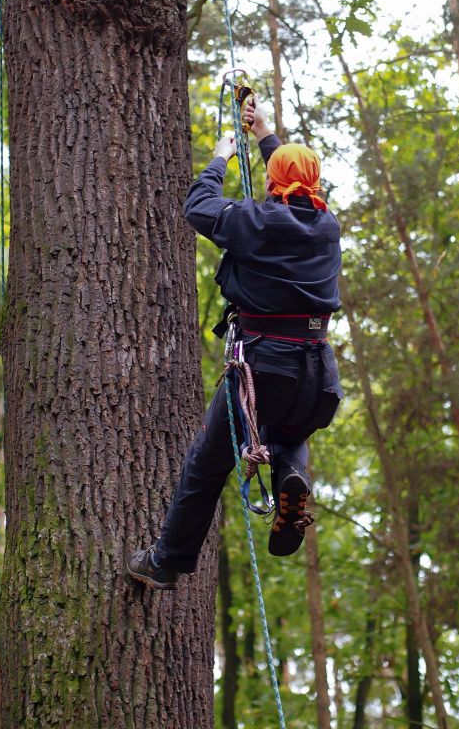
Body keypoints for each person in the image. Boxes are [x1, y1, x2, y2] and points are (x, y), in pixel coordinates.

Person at [127, 99, 343, 590]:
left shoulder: (256, 222)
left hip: (265, 368)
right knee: (289, 430)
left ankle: (165, 561)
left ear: (273, 182)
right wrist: (265, 134)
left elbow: (198, 207)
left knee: (206, 466)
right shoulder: (327, 228)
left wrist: (221, 157)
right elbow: (294, 185)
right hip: (317, 375)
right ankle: (292, 474)